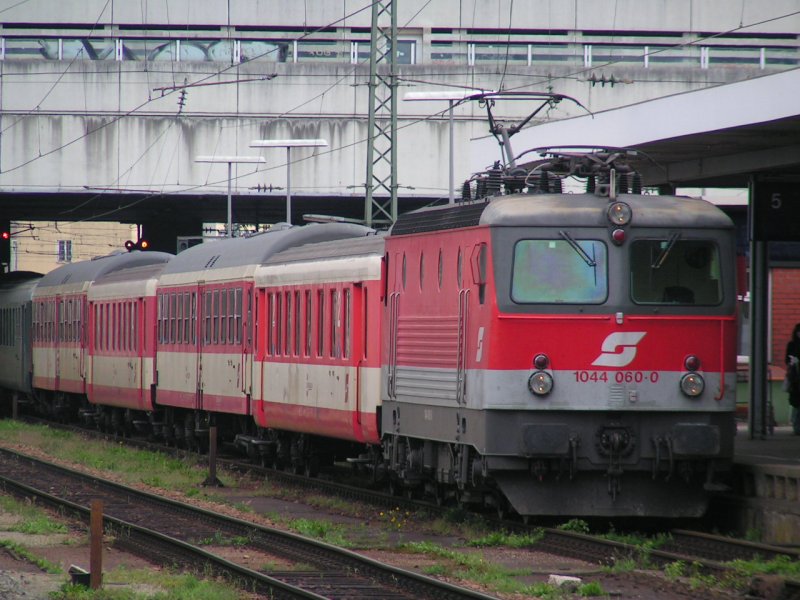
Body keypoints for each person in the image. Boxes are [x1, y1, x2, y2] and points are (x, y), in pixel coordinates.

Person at [785, 323, 800, 435]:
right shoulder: (792, 345)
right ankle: (796, 427)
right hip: (795, 378)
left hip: (795, 377)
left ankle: (797, 426)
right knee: (796, 403)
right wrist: (792, 361)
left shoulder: (792, 344)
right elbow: (787, 359)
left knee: (796, 403)